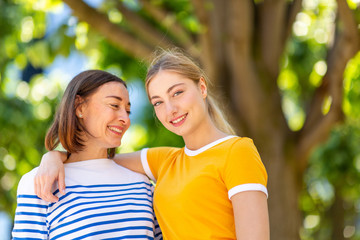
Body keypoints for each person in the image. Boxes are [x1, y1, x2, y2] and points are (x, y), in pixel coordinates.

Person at [35, 49, 269, 239]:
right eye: (158, 102)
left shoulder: (237, 151)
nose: (170, 109)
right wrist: (54, 157)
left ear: (202, 87)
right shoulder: (165, 161)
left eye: (177, 93)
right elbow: (95, 159)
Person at [12, 70, 160, 239]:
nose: (125, 119)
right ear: (79, 107)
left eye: (128, 110)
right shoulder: (41, 183)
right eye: (114, 105)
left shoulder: (143, 185)